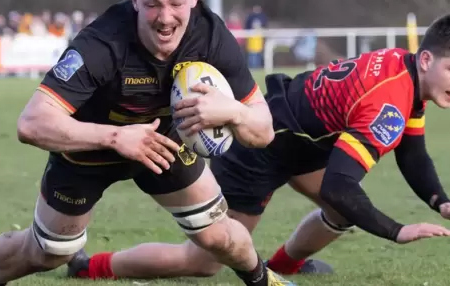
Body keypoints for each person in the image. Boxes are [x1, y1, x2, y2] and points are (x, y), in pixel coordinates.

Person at [0, 0, 296, 286]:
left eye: (177, 2)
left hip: (162, 145)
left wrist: (234, 111)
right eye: (152, 4)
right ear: (135, 0)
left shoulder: (210, 35)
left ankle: (263, 280)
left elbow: (264, 131)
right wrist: (116, 137)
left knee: (218, 236)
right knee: (49, 252)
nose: (165, 18)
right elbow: (31, 123)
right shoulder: (103, 43)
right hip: (88, 151)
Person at [67, 17, 450, 281]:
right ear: (428, 59)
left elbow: (411, 151)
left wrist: (439, 201)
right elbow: (341, 186)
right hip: (263, 146)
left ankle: (283, 266)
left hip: (298, 135)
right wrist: (396, 230)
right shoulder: (389, 102)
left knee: (340, 211)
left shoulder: (404, 68)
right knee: (203, 261)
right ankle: (89, 267)